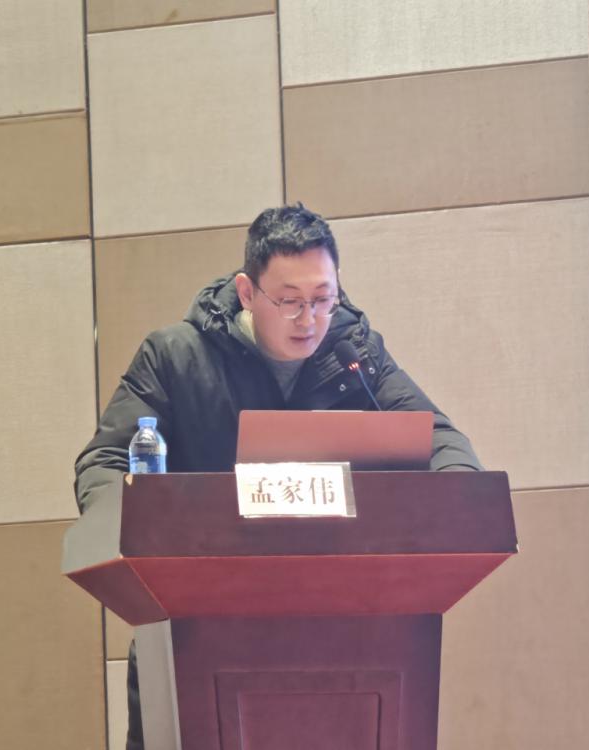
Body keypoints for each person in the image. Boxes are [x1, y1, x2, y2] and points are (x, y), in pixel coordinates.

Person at [74, 203, 481, 749]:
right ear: (247, 292)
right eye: (289, 301)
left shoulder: (356, 356)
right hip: (193, 629)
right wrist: (146, 532)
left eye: (323, 299)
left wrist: (460, 504)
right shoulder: (175, 357)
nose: (309, 319)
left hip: (340, 638)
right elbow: (104, 463)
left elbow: (442, 443)